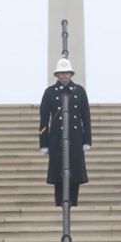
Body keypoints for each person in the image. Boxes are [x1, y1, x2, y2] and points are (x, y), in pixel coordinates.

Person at [39, 58, 92, 207]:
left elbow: (86, 117)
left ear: (71, 74)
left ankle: (73, 202)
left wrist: (87, 140)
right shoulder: (49, 92)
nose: (64, 76)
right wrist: (43, 143)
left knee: (75, 172)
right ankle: (59, 202)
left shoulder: (80, 91)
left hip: (75, 138)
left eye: (66, 73)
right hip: (56, 138)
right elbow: (44, 119)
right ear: (56, 75)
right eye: (61, 73)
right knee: (58, 173)